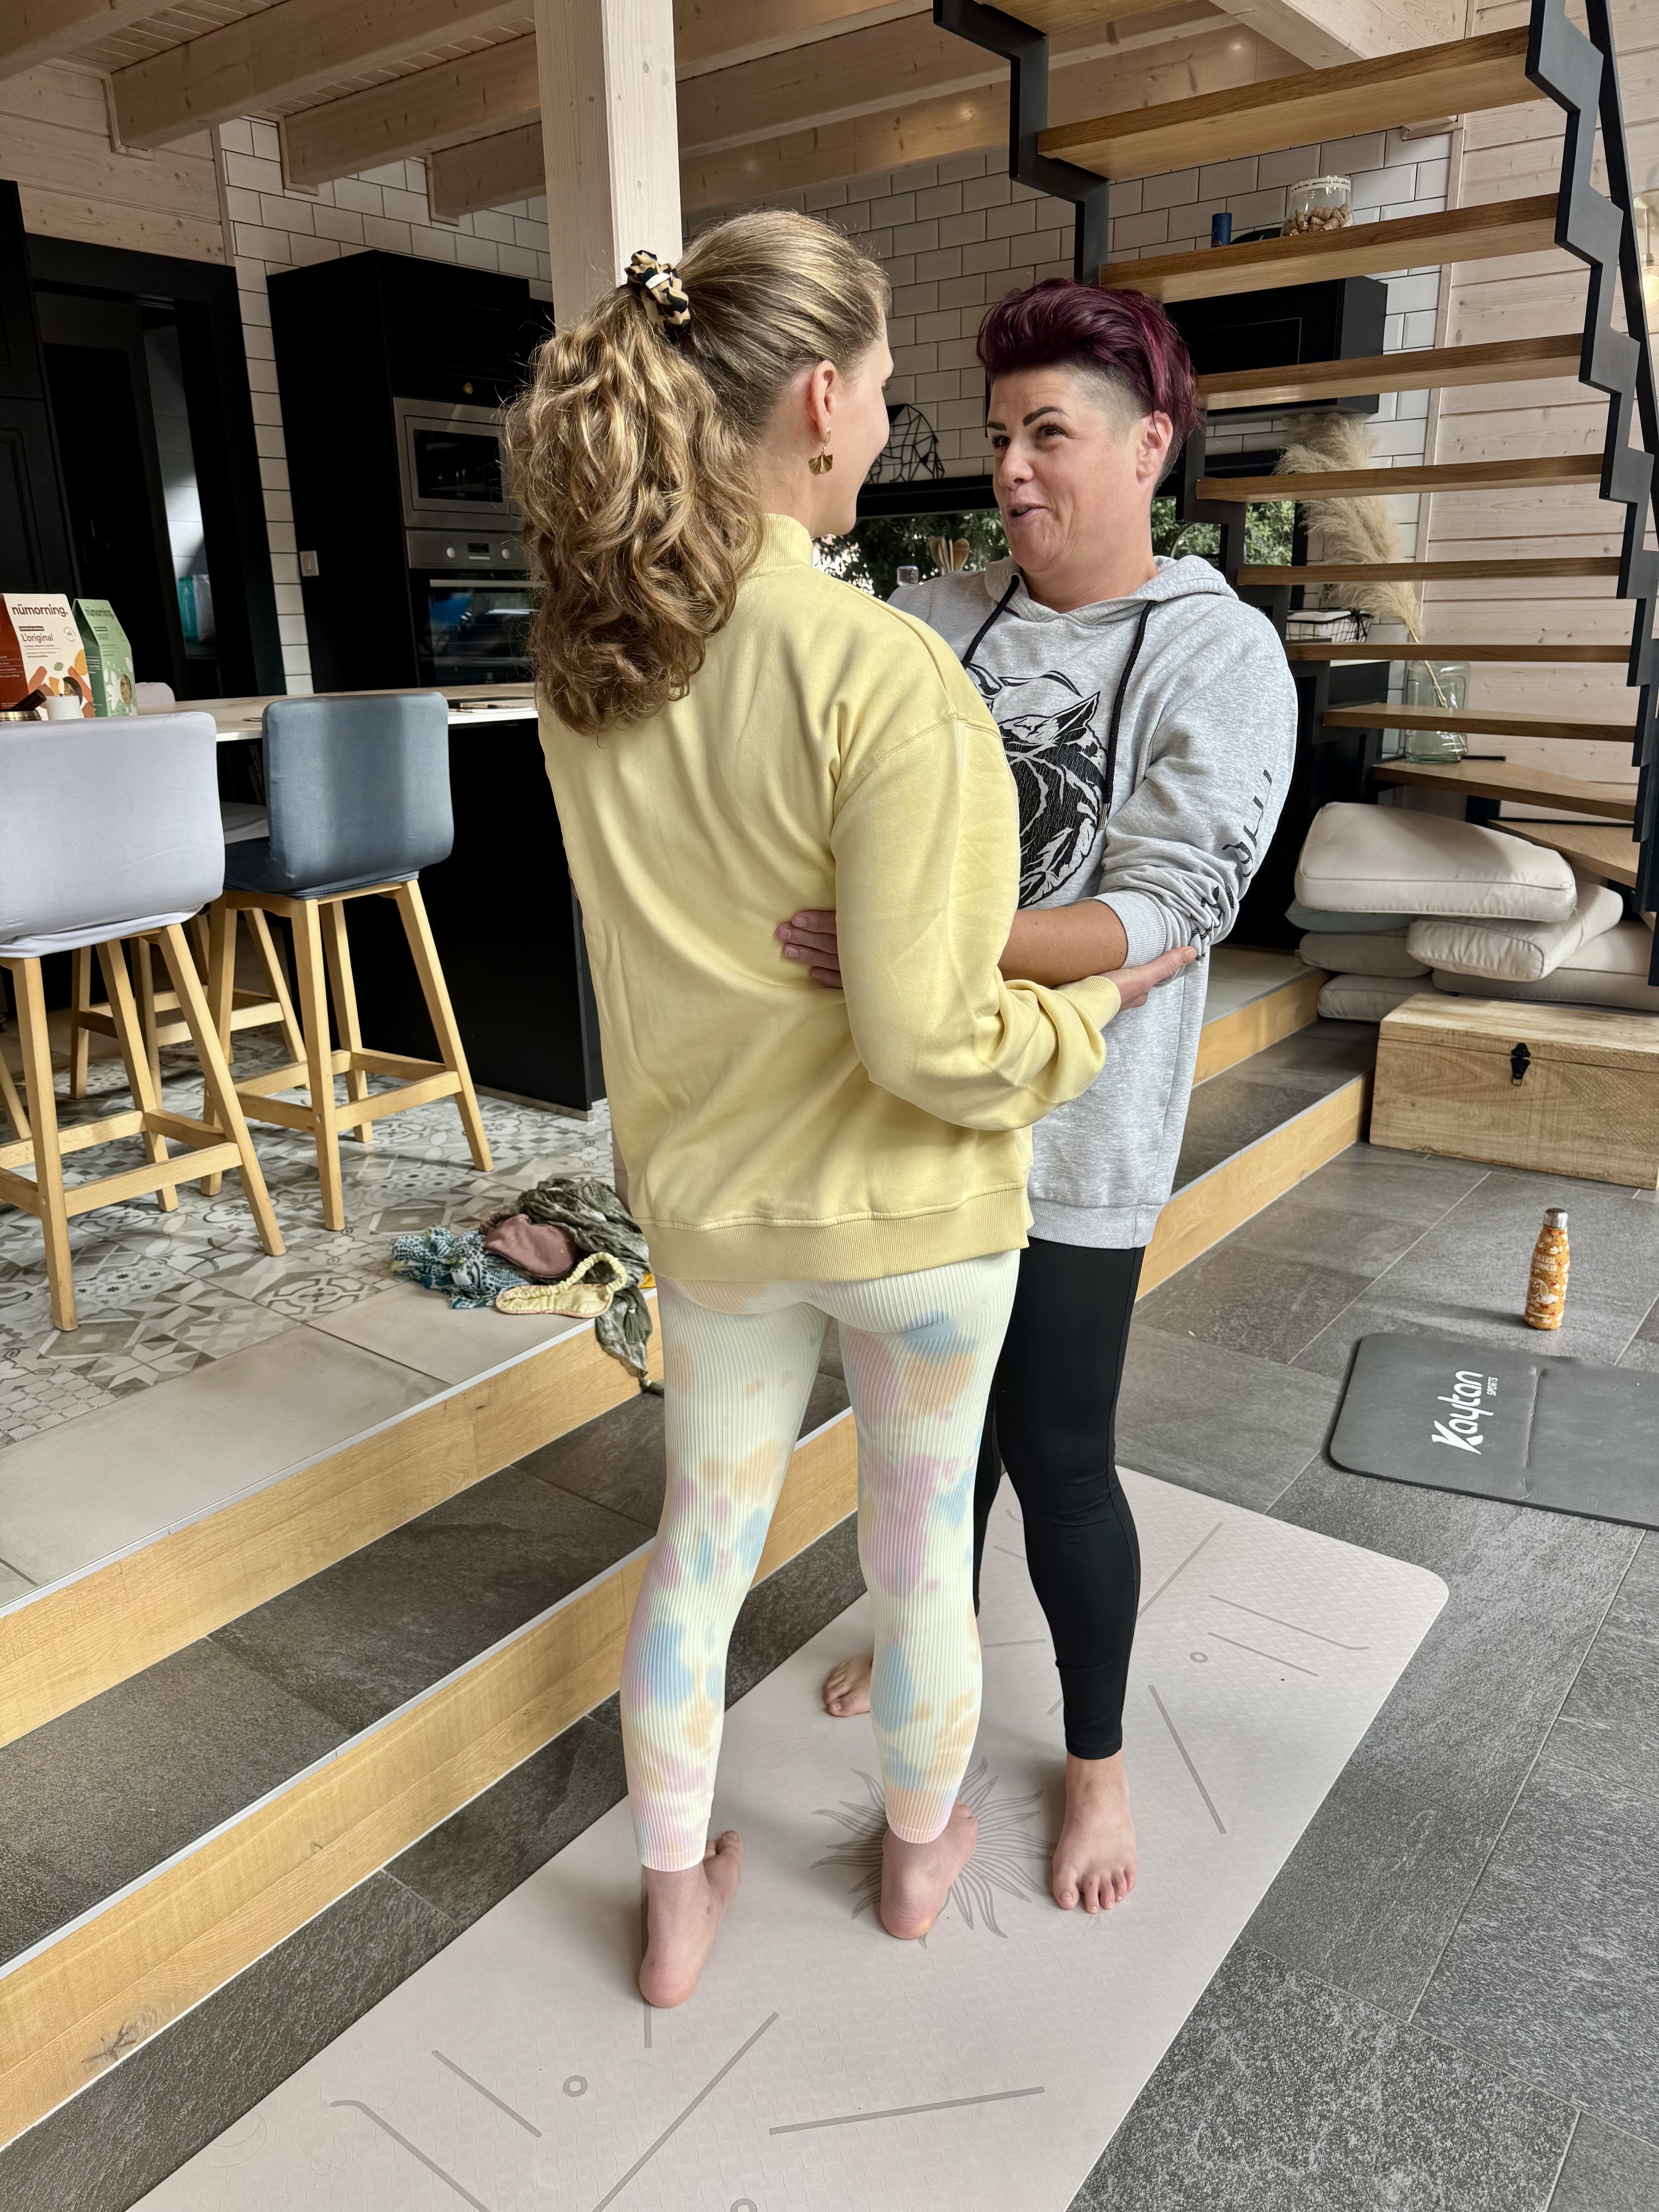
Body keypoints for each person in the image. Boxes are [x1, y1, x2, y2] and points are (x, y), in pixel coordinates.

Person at [510, 220, 1193, 2009]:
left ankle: (674, 1904)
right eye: (889, 391)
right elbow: (933, 1042)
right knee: (917, 1569)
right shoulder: (887, 674)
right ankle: (911, 1866)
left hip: (715, 1213)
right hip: (919, 1224)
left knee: (700, 1552)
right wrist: (1088, 1012)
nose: (897, 426)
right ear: (821, 398)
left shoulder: (590, 682)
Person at [780, 278, 1297, 1918]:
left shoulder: (1217, 651)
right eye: (1000, 433)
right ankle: (921, 1641)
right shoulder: (936, 617)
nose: (1010, 467)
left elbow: (1171, 905)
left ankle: (1094, 1760)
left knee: (1058, 1453)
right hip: (908, 1119)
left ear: (1150, 446)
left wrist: (913, 936)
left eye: (1048, 433)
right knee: (927, 1454)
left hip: (1077, 1133)